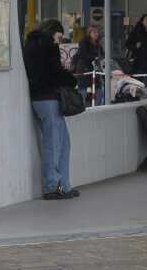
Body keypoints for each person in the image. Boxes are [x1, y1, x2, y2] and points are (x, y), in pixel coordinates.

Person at [23, 19, 81, 200]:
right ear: (53, 32)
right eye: (59, 36)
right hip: (49, 99)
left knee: (60, 141)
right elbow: (55, 72)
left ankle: (62, 184)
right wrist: (72, 80)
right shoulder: (48, 45)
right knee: (57, 144)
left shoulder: (29, 45)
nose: (59, 40)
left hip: (37, 99)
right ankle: (54, 186)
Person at [71, 24, 105, 106]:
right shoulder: (83, 42)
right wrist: (95, 57)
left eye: (97, 32)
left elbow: (103, 55)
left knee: (99, 88)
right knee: (82, 90)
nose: (96, 34)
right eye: (94, 32)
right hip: (84, 69)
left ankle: (97, 107)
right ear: (89, 33)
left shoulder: (98, 44)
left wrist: (100, 59)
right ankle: (80, 106)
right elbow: (83, 55)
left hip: (94, 69)